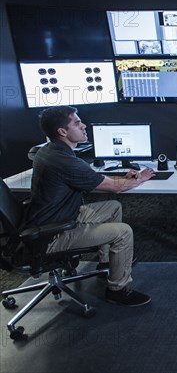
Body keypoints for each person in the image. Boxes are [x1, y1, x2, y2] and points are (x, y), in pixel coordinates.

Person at [25, 106, 156, 306]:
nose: (84, 125)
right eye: (77, 123)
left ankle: (106, 265)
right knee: (123, 232)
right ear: (62, 132)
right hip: (52, 235)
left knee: (112, 207)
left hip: (55, 218)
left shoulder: (51, 151)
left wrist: (122, 177)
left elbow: (99, 180)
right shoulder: (64, 160)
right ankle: (118, 290)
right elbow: (114, 188)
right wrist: (142, 178)